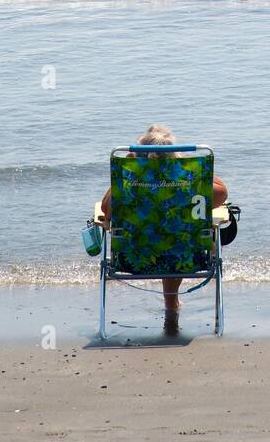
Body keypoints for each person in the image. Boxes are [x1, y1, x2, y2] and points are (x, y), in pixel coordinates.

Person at [98, 124, 228, 333]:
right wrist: (194, 169)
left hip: (136, 258)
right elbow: (222, 194)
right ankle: (171, 304)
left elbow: (106, 208)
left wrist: (126, 170)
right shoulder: (189, 180)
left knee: (158, 235)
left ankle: (171, 304)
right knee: (174, 235)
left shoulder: (130, 182)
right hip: (187, 256)